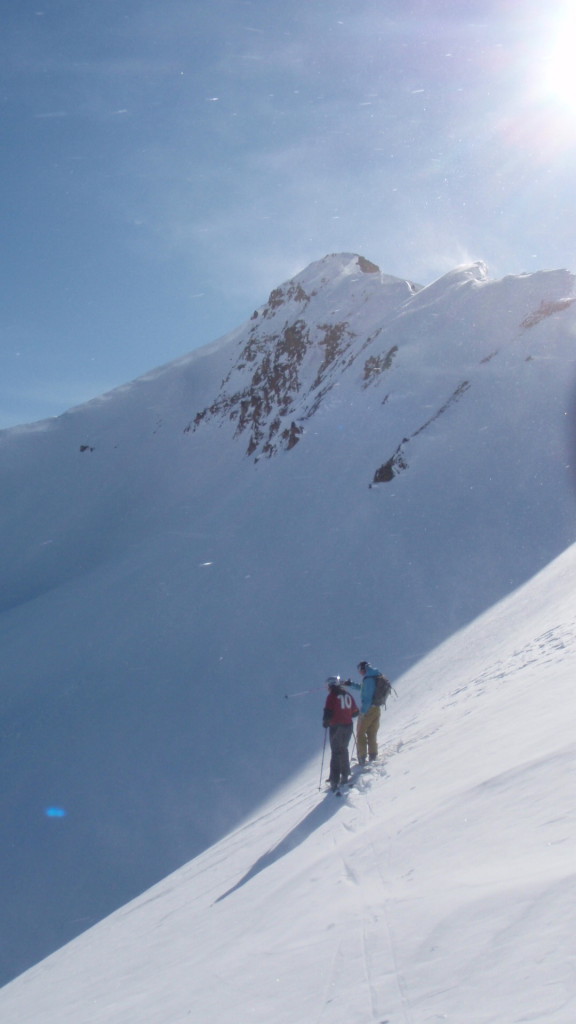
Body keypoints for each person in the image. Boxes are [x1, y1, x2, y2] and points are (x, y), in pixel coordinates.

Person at [322, 676, 359, 791]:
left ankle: (334, 780)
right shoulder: (348, 695)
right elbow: (355, 712)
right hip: (348, 726)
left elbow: (328, 712)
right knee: (344, 749)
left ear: (330, 686)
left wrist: (326, 722)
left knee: (336, 751)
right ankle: (345, 774)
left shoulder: (332, 696)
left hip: (336, 726)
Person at [348, 660, 383, 765]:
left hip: (368, 709)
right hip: (377, 708)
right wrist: (351, 684)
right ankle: (373, 754)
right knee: (372, 732)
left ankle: (362, 757)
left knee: (360, 733)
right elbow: (364, 688)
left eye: (359, 669)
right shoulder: (375, 676)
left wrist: (363, 712)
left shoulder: (368, 679)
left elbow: (367, 697)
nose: (359, 672)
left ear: (363, 669)